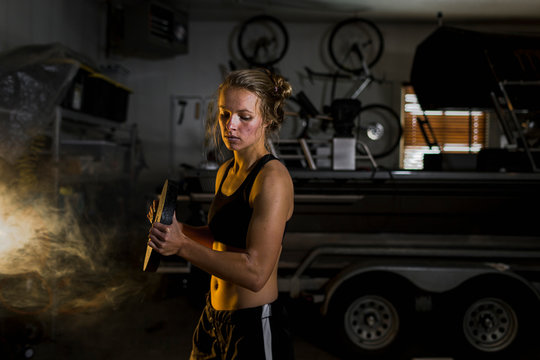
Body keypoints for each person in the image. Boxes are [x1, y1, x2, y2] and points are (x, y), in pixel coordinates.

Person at [148, 68, 295, 360]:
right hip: (213, 318)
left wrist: (182, 246)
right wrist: (176, 230)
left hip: (254, 327)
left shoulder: (272, 179)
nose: (230, 125)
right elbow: (219, 238)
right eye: (224, 114)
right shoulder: (227, 171)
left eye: (244, 116)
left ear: (266, 119)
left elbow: (255, 273)